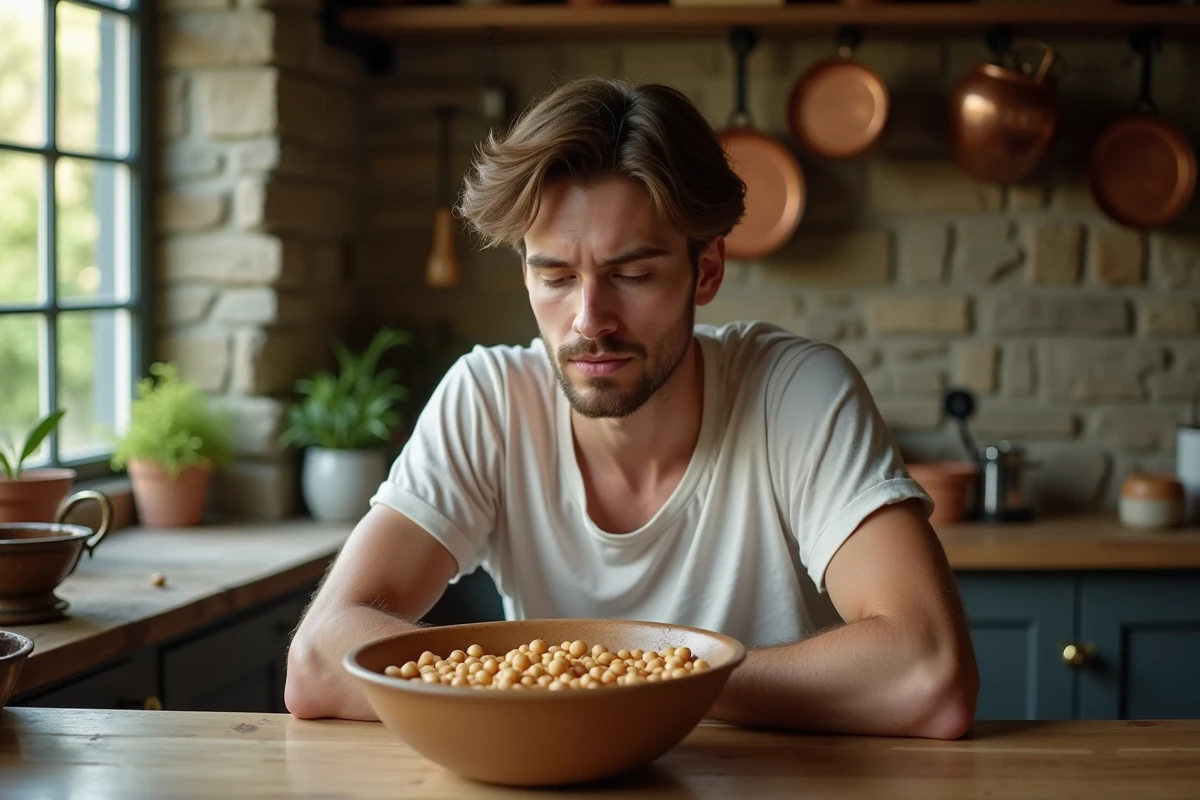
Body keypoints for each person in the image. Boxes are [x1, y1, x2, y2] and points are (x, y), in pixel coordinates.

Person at [284, 77, 979, 739]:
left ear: (706, 272)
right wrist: (564, 686)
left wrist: (642, 683)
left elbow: (929, 672)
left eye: (633, 274)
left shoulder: (794, 391)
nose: (590, 320)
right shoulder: (491, 400)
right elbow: (318, 661)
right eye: (554, 276)